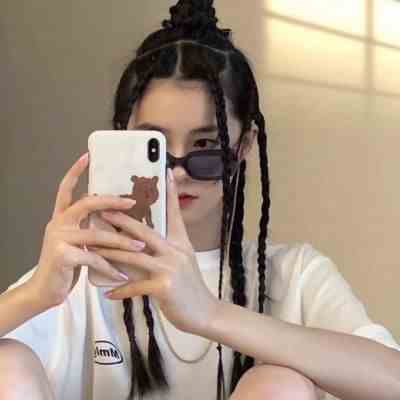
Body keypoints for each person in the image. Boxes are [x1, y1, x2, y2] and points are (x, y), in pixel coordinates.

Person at [1, 1, 399, 400]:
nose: (177, 172)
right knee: (7, 361)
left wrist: (211, 313)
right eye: (155, 146)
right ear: (123, 138)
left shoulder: (294, 275)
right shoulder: (81, 277)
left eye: (206, 145)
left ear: (244, 146)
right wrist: (33, 295)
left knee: (278, 384)